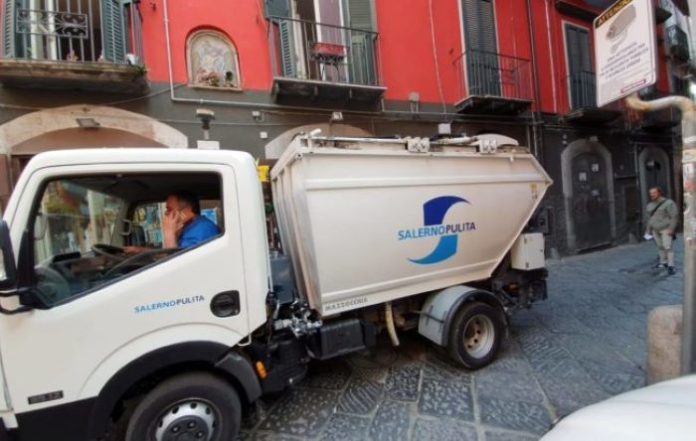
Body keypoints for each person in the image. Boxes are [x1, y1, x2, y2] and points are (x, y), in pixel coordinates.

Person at [125, 191, 219, 253]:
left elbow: (177, 266)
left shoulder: (203, 229)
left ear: (185, 212)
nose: (166, 213)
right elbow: (172, 252)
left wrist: (169, 233)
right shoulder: (189, 227)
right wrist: (140, 250)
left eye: (169, 209)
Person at [645, 186, 678, 275]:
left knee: (667, 247)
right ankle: (663, 262)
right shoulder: (650, 205)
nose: (652, 195)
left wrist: (671, 228)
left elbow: (674, 216)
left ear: (659, 193)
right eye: (650, 193)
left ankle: (671, 266)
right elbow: (650, 219)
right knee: (660, 246)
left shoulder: (668, 203)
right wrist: (648, 230)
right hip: (655, 230)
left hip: (666, 229)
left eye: (654, 193)